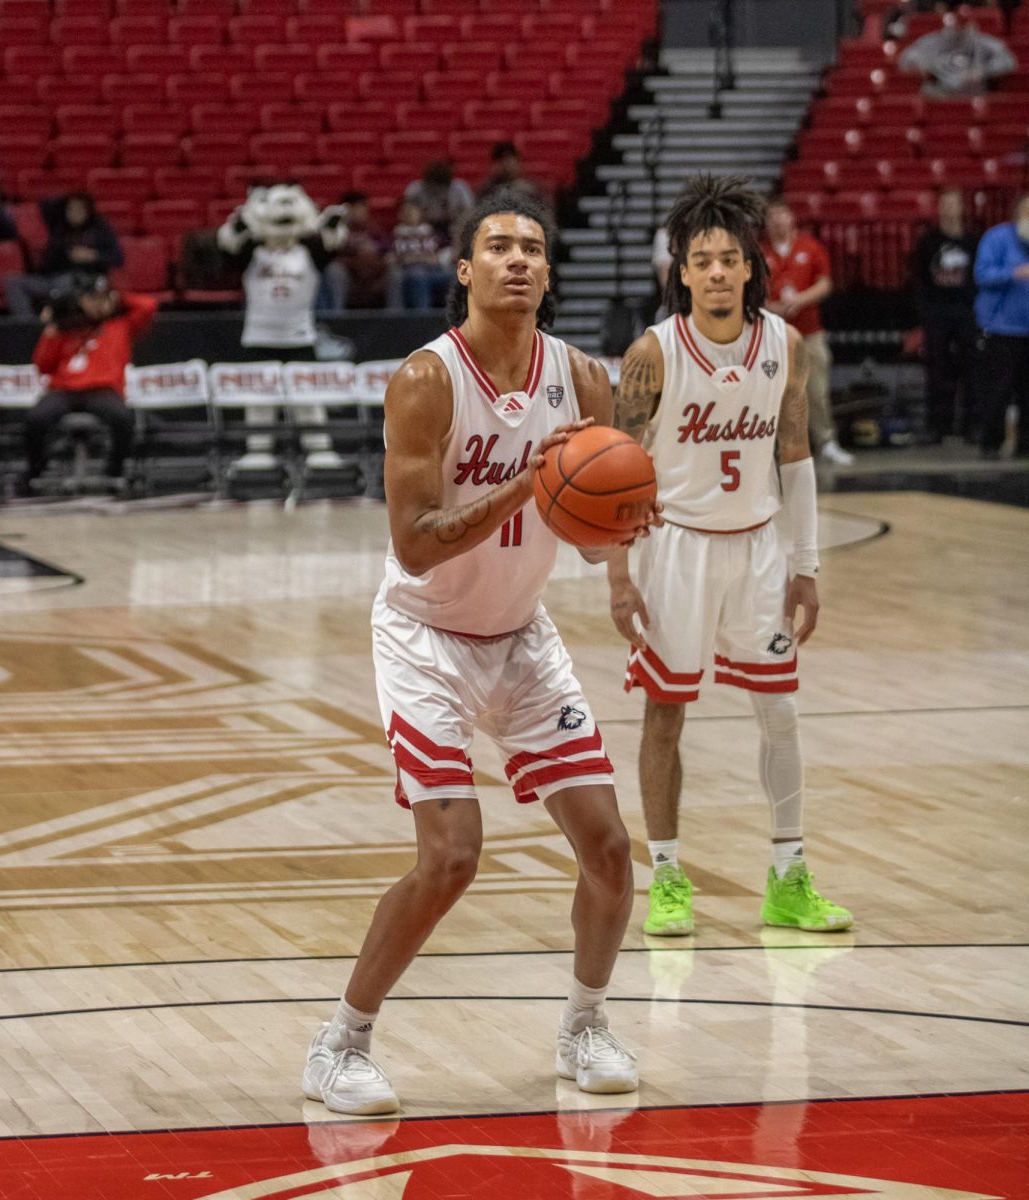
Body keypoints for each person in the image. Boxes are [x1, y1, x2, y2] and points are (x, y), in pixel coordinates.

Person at [302, 190, 650, 1116]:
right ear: (464, 270)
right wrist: (530, 482)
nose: (518, 260)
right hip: (424, 637)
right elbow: (415, 542)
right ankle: (342, 1043)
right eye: (497, 247)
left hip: (521, 638)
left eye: (533, 247)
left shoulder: (581, 378)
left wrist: (619, 544)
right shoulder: (425, 379)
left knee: (611, 850)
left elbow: (587, 528)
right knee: (452, 855)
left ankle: (584, 1023)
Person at [607, 174, 853, 938]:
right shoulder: (651, 353)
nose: (716, 272)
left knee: (779, 712)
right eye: (701, 260)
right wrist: (618, 576)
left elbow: (795, 458)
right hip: (672, 549)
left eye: (728, 259)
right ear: (680, 271)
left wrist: (805, 564)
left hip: (757, 550)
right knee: (665, 714)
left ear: (751, 265)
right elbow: (614, 467)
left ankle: (787, 875)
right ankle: (669, 874)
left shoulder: (782, 345)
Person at [23, 274, 156, 492]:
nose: (98, 304)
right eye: (93, 299)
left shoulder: (120, 325)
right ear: (81, 300)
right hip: (65, 390)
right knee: (36, 418)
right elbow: (42, 365)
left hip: (103, 389)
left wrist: (118, 298)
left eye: (103, 299)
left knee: (122, 418)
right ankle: (36, 470)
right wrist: (51, 333)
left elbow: (149, 306)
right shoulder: (65, 326)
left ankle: (114, 471)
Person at [763, 198, 853, 466]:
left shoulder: (809, 247)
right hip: (772, 333)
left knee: (816, 390)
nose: (778, 220)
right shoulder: (758, 252)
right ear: (766, 222)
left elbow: (824, 284)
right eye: (772, 215)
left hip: (809, 331)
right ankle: (774, 446)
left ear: (792, 218)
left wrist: (799, 300)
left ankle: (826, 442)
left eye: (782, 213)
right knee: (772, 391)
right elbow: (748, 291)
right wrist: (770, 306)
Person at [216, 182, 347, 363]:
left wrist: (330, 228)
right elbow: (229, 252)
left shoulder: (309, 253)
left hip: (300, 339)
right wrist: (237, 229)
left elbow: (330, 247)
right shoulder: (252, 252)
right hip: (258, 340)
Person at [910, 188, 979, 442]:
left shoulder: (973, 240)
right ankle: (937, 426)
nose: (950, 209)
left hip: (966, 312)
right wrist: (925, 312)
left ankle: (971, 426)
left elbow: (978, 277)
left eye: (954, 204)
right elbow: (919, 278)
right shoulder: (929, 241)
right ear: (939, 209)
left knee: (971, 370)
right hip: (937, 313)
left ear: (962, 208)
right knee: (937, 371)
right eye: (945, 204)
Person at [4, 193, 124, 319]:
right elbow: (45, 204)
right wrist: (66, 200)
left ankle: (54, 315)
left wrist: (92, 255)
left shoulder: (100, 229)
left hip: (84, 282)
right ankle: (29, 327)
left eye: (79, 209)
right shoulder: (59, 226)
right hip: (52, 279)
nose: (75, 213)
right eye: (70, 209)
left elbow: (118, 258)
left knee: (68, 283)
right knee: (13, 282)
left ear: (88, 210)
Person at [974, 193, 1029, 458]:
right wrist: (1012, 273)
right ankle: (990, 442)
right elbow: (982, 274)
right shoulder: (997, 238)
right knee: (1000, 389)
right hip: (1002, 329)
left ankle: (1025, 445)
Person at [899, 8, 1016, 96]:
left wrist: (983, 72)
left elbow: (1008, 61)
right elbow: (906, 59)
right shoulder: (932, 41)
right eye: (955, 25)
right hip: (940, 93)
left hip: (975, 93)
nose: (957, 30)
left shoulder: (984, 42)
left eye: (962, 25)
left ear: (971, 25)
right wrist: (922, 66)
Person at [321, 191, 395, 310]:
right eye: (353, 209)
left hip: (376, 276)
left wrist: (377, 249)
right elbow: (330, 252)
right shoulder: (336, 230)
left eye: (361, 208)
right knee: (334, 270)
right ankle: (336, 318)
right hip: (350, 276)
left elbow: (389, 248)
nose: (357, 212)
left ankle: (396, 318)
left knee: (395, 270)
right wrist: (354, 252)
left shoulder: (375, 229)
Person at [387, 198, 452, 310]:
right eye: (405, 211)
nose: (409, 214)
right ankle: (422, 321)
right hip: (408, 272)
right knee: (418, 277)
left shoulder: (431, 233)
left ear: (420, 213)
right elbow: (390, 257)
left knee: (459, 276)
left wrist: (415, 258)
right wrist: (418, 259)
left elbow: (441, 256)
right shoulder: (393, 234)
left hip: (435, 270)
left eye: (412, 211)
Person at [403, 159, 474, 247]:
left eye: (441, 187)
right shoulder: (416, 189)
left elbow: (469, 214)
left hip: (452, 228)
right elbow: (408, 216)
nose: (437, 191)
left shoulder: (460, 190)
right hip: (426, 229)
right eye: (434, 187)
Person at [475, 141, 545, 206]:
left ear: (518, 161)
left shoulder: (532, 190)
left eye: (509, 160)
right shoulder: (486, 191)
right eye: (501, 160)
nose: (506, 165)